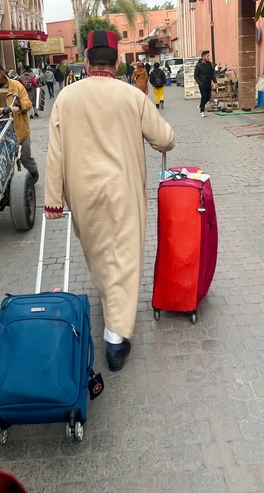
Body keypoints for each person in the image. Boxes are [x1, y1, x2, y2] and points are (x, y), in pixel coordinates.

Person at [45, 30, 175, 371]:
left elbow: (55, 153)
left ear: (86, 61)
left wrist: (53, 200)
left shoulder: (66, 98)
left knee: (100, 251)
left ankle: (110, 306)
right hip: (123, 191)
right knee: (125, 257)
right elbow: (165, 138)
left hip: (83, 192)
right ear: (117, 62)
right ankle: (115, 339)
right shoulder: (132, 96)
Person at [194, 50, 217, 117]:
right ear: (203, 56)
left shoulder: (209, 64)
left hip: (208, 83)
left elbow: (212, 74)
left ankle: (201, 105)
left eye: (208, 56)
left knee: (208, 97)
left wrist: (215, 82)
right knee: (204, 96)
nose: (208, 57)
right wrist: (200, 83)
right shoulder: (198, 65)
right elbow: (195, 76)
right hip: (202, 84)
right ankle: (202, 111)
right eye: (207, 56)